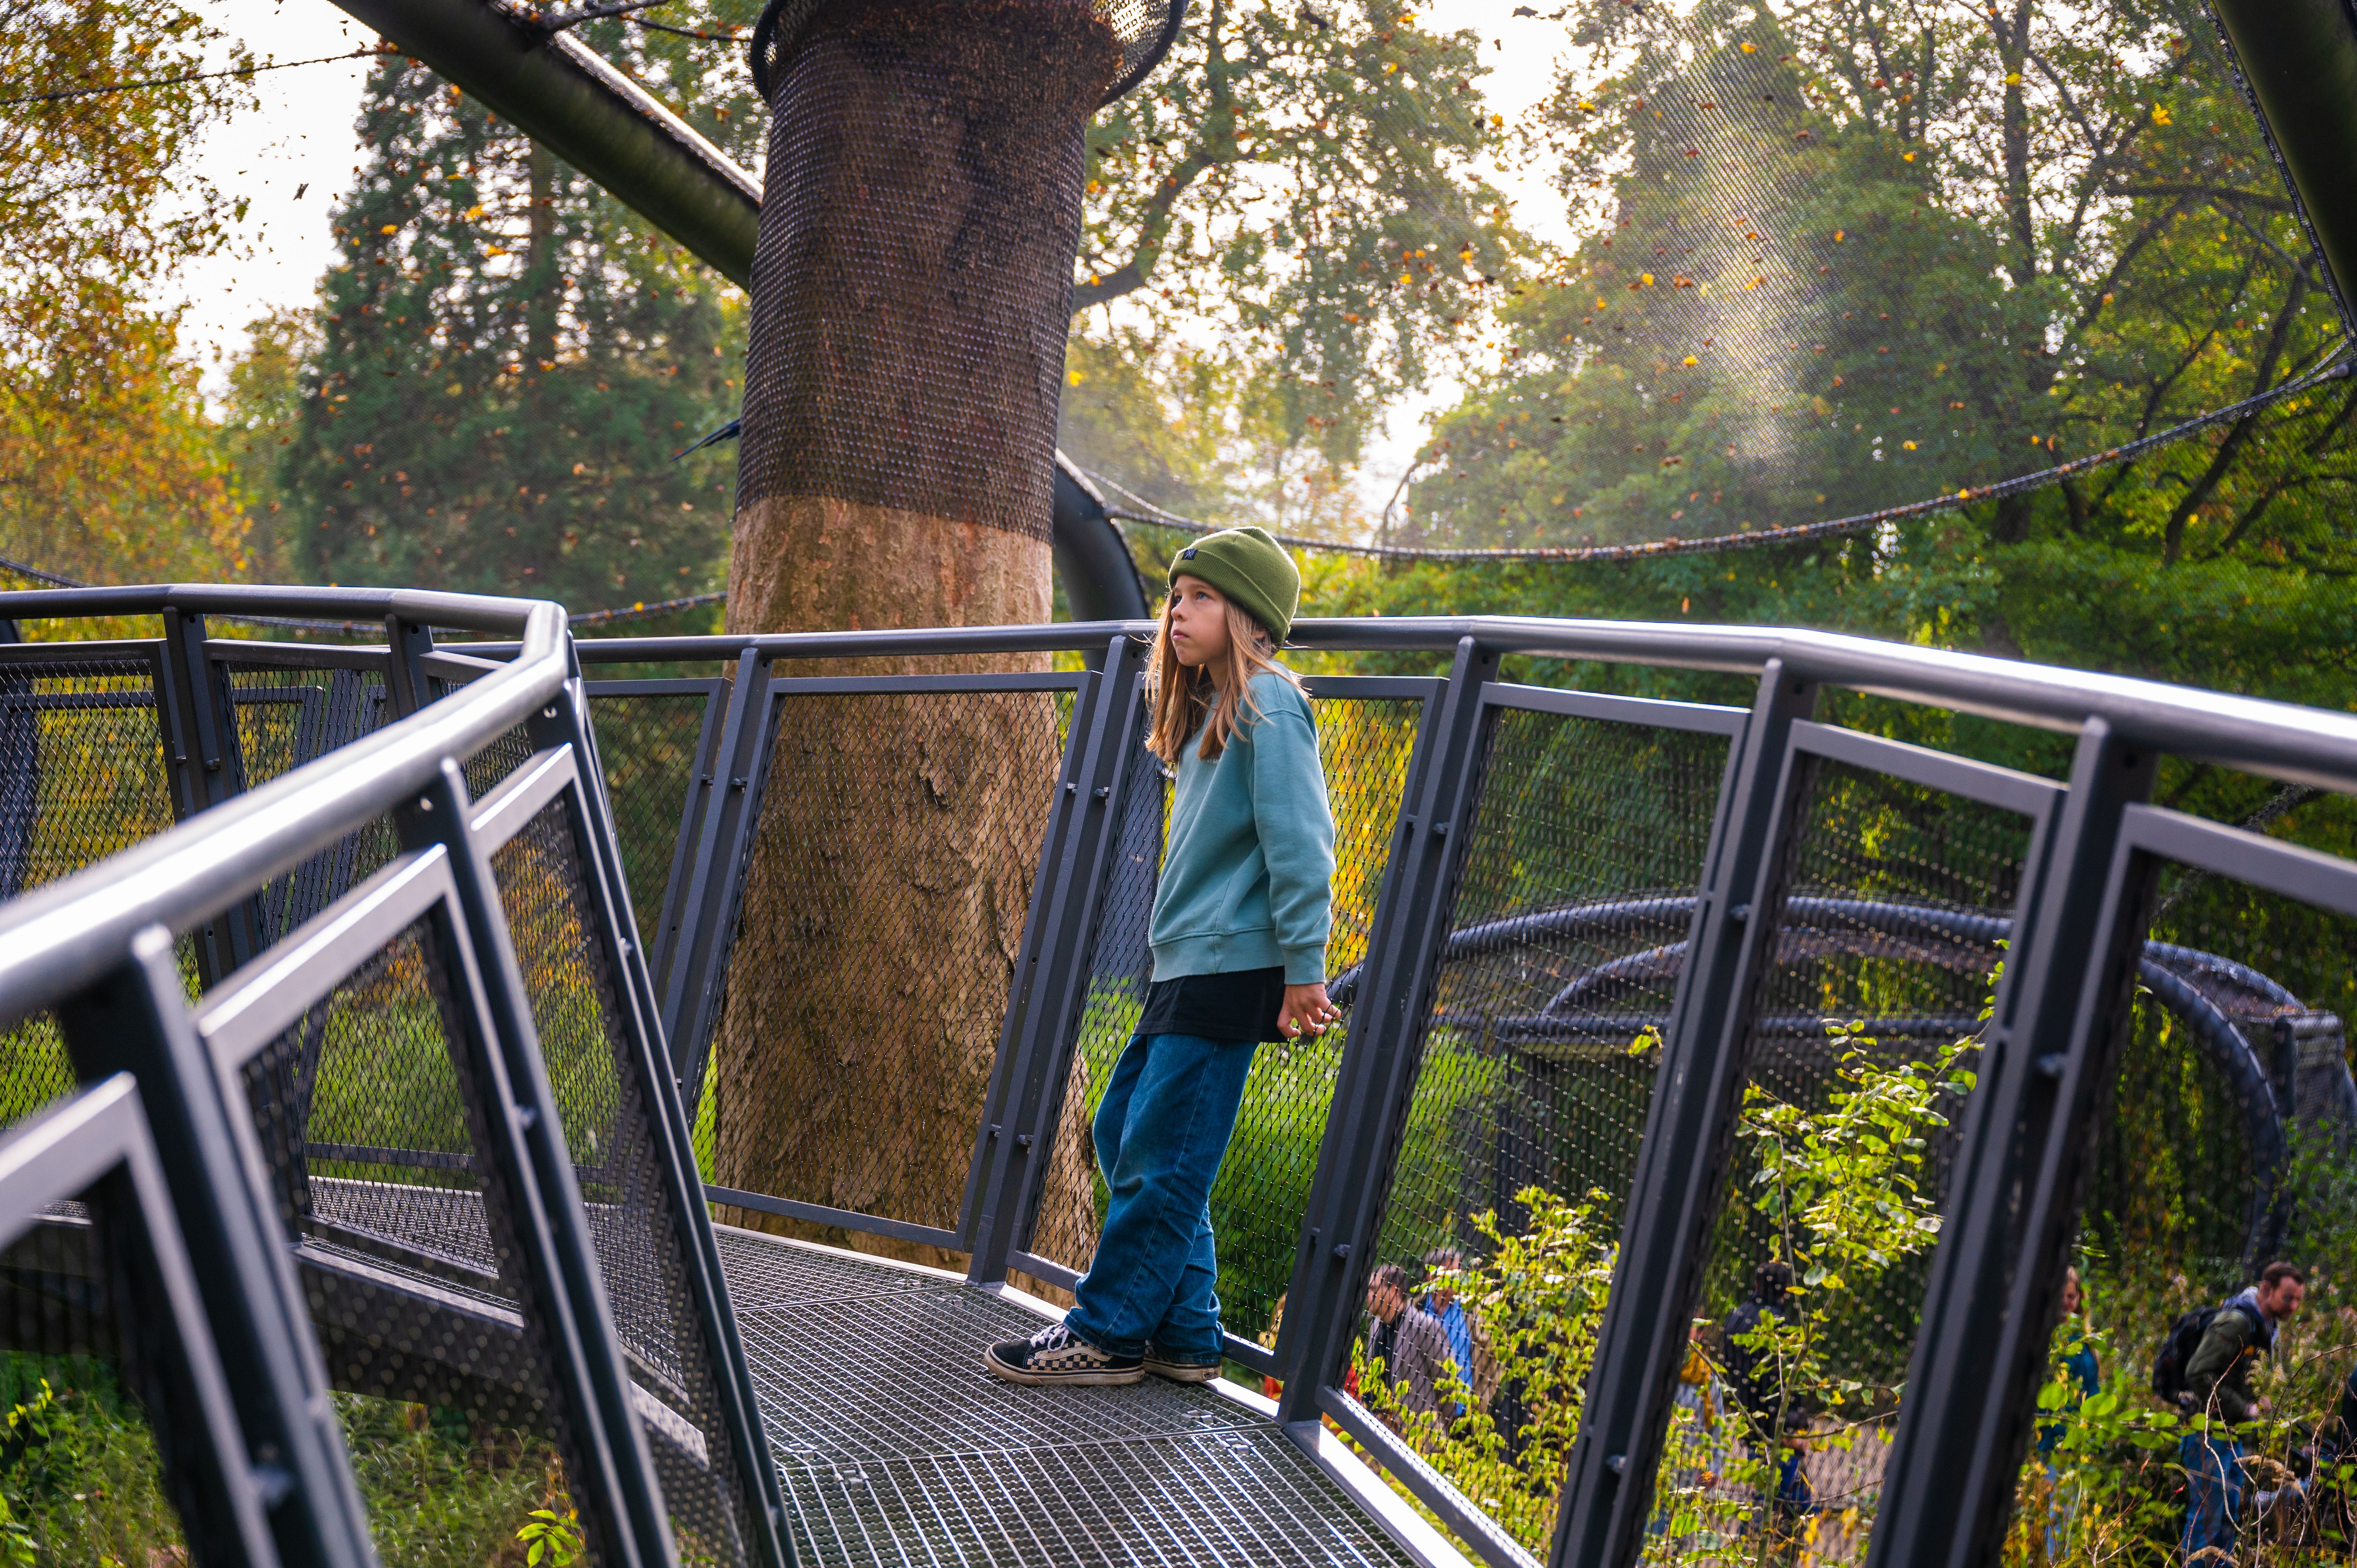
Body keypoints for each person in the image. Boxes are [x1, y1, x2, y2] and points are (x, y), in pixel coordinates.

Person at [986, 528, 1337, 1387]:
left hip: (1233, 966)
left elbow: (1303, 846)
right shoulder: (1213, 711)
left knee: (1161, 1147)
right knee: (1124, 1130)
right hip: (1187, 961)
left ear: (1249, 614)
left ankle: (1108, 1333)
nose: (1179, 612)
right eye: (1176, 596)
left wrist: (1305, 969)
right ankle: (1186, 1332)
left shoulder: (1272, 705)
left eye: (1203, 597)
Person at [2180, 1260, 2307, 1561]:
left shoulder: (2264, 1329)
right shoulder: (2237, 1322)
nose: (2294, 1306)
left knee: (2227, 1521)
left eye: (2299, 1299)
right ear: (2266, 1289)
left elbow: (2237, 1377)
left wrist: (2258, 1400)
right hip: (2207, 1436)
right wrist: (2244, 1407)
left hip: (2230, 1435)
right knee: (2205, 1523)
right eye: (2288, 1297)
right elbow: (2198, 1373)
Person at [1719, 1259, 1814, 1537]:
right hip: (1776, 1433)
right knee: (1789, 1509)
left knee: (1761, 1500)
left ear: (1757, 1285)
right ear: (1785, 1291)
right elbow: (1779, 1385)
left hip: (1748, 1424)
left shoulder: (1735, 1318)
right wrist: (1790, 1431)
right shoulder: (1778, 1324)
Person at [2037, 1267, 2102, 1558]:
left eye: (2072, 1297)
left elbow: (2093, 1387)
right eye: (2062, 1297)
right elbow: (2045, 1399)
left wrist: (2095, 1434)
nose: (2067, 1303)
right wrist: (2055, 1441)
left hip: (2081, 1442)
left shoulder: (2084, 1338)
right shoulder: (2046, 1339)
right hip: (2056, 1444)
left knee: (2068, 1520)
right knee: (2055, 1518)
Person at [1364, 1263, 1453, 1425]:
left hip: (1418, 1433)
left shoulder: (1425, 1326)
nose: (1368, 1295)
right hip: (1377, 1426)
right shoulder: (1375, 1325)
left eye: (1374, 1289)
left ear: (1394, 1291)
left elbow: (1447, 1385)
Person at [1415, 1246, 1498, 1413]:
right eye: (1452, 1273)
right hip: (1425, 1413)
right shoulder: (1416, 1310)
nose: (1459, 1278)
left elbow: (1495, 1360)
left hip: (1466, 1415)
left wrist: (1482, 1401)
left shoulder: (1475, 1310)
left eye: (1459, 1272)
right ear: (1432, 1277)